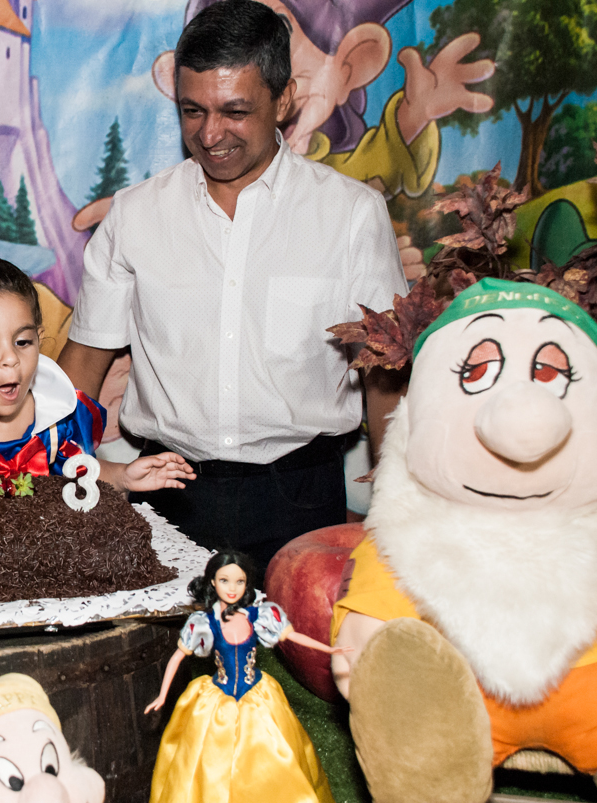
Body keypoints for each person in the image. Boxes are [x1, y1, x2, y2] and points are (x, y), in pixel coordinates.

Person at [58, 0, 408, 566]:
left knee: (297, 650)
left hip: (302, 497)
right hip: (164, 492)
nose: (210, 133)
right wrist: (52, 474)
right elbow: (85, 362)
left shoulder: (351, 215)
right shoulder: (135, 214)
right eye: (192, 111)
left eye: (235, 110)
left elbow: (384, 372)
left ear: (284, 98)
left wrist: (398, 502)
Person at [0, 240, 196, 492]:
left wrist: (124, 476)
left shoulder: (56, 419)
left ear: (40, 340)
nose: (11, 359)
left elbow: (82, 470)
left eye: (23, 342)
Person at [144, 551, 347, 803]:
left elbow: (292, 636)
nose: (232, 588)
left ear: (247, 584)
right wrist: (162, 695)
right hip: (219, 699)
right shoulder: (204, 623)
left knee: (270, 756)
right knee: (208, 762)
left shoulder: (259, 616)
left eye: (239, 582)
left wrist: (328, 648)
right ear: (212, 582)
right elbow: (177, 657)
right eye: (224, 581)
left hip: (257, 695)